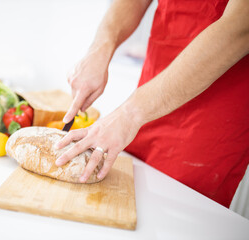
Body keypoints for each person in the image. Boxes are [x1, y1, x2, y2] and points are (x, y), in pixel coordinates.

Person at [54, 0, 249, 208]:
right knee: (124, 199)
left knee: (173, 212)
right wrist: (101, 46)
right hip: (150, 91)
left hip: (212, 114)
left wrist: (129, 114)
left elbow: (240, 26)